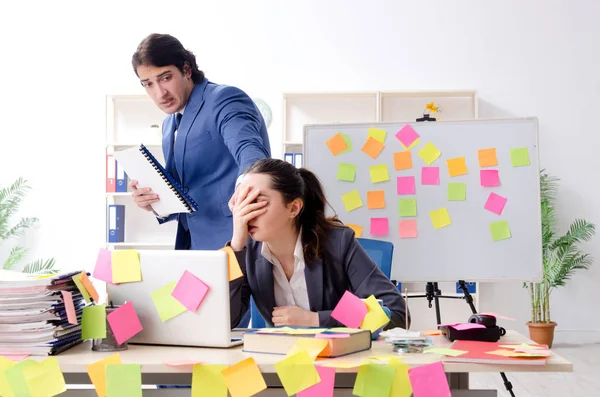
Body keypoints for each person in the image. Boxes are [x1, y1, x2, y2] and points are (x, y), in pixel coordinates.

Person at [129, 33, 271, 329]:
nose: (159, 92)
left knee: (228, 346)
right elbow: (185, 194)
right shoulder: (170, 124)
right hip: (194, 254)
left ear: (186, 69)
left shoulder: (224, 99)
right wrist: (152, 200)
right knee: (180, 339)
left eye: (165, 77)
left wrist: (249, 181)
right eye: (148, 84)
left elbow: (252, 156)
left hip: (235, 249)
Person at [228, 159, 410, 331]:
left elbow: (396, 313)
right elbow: (225, 321)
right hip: (281, 358)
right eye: (243, 202)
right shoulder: (246, 253)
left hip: (339, 358)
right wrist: (235, 247)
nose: (246, 213)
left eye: (258, 202)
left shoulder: (337, 242)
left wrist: (315, 319)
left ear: (293, 208)